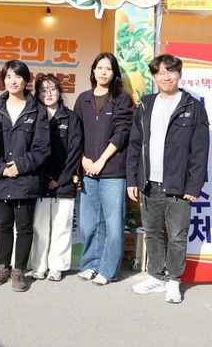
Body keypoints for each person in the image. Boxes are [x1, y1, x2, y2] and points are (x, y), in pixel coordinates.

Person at [126, 54, 209, 304]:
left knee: (177, 236)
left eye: (171, 71)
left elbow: (200, 150)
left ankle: (173, 280)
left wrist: (194, 185)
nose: (166, 77)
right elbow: (134, 145)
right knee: (152, 233)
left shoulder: (192, 106)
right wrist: (133, 180)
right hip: (149, 183)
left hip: (179, 185)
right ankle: (155, 276)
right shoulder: (146, 104)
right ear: (154, 77)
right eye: (160, 72)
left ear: (179, 74)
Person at [0, 60, 50, 292]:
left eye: (18, 76)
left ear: (26, 80)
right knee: (3, 225)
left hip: (26, 179)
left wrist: (20, 166)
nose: (13, 81)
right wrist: (1, 168)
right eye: (8, 77)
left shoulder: (38, 111)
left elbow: (43, 147)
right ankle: (3, 267)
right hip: (1, 178)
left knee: (24, 227)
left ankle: (19, 271)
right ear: (3, 80)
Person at [74, 52, 135, 286]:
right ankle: (90, 264)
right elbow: (76, 134)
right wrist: (83, 159)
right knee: (89, 223)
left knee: (113, 224)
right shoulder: (83, 99)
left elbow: (122, 132)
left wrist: (101, 160)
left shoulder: (122, 98)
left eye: (108, 69)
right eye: (100, 67)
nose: (103, 72)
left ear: (114, 73)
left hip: (113, 172)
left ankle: (108, 270)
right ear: (93, 70)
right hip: (88, 170)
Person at [30, 74, 83, 282]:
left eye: (52, 89)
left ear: (59, 91)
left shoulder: (71, 118)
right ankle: (39, 266)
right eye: (43, 90)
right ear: (37, 94)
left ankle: (57, 266)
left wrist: (62, 177)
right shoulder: (33, 116)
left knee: (63, 225)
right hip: (39, 181)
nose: (48, 93)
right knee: (40, 225)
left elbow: (76, 150)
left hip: (64, 182)